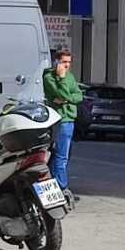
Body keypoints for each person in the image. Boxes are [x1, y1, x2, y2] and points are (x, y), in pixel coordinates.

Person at [43, 48, 83, 202]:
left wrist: (67, 99)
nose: (67, 65)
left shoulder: (70, 76)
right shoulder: (50, 77)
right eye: (64, 62)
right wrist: (61, 79)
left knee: (63, 155)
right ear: (56, 62)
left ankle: (55, 186)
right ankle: (61, 188)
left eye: (69, 62)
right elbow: (63, 94)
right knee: (61, 156)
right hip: (60, 120)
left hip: (69, 119)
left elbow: (79, 96)